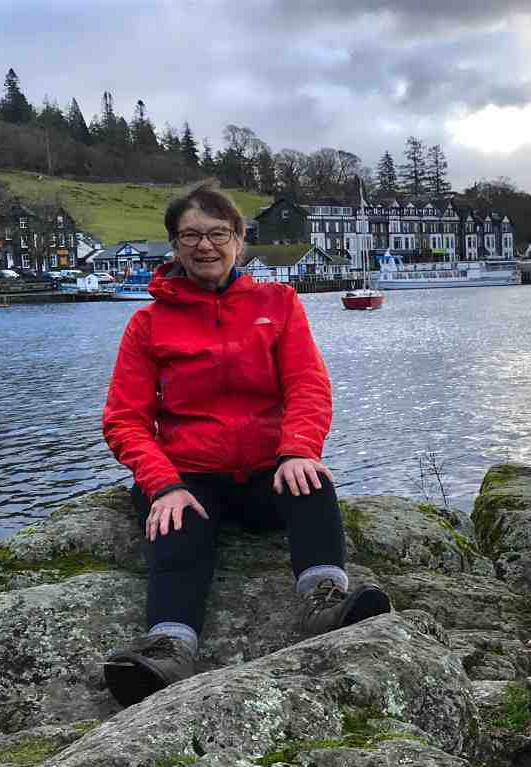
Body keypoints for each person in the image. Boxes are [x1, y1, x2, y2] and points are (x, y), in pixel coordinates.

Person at [101, 181, 391, 707]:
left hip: (268, 468)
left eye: (217, 233)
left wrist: (299, 448)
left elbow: (308, 385)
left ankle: (324, 598)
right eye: (190, 235)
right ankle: (169, 647)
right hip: (191, 474)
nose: (204, 246)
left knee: (311, 483)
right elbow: (125, 418)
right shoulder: (147, 324)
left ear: (239, 239)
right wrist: (162, 484)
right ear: (173, 245)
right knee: (179, 524)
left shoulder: (278, 303)